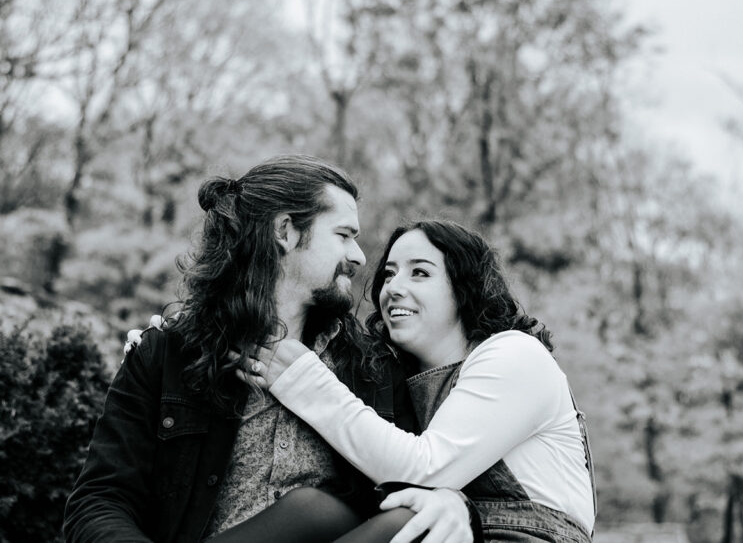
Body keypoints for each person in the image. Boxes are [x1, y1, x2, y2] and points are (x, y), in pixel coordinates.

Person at [64, 156, 474, 543]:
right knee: (312, 509)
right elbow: (99, 502)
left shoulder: (373, 366)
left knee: (400, 519)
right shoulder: (168, 353)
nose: (359, 256)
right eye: (344, 235)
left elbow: (415, 478)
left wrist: (452, 502)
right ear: (285, 231)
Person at [239, 220, 597, 543]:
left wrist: (302, 379)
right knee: (314, 510)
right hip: (447, 530)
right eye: (389, 274)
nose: (393, 287)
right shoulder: (400, 383)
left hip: (521, 537)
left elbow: (423, 472)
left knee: (412, 521)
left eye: (420, 273)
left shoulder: (516, 354)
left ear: (464, 287)